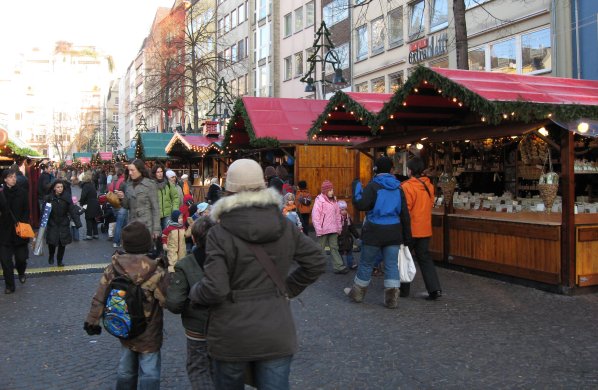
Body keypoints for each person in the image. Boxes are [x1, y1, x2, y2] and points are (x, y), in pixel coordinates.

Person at [189, 159, 326, 390]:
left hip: (231, 332)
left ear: (228, 191)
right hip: (275, 329)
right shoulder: (284, 226)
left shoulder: (219, 233)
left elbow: (215, 287)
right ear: (262, 187)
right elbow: (316, 261)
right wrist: (287, 288)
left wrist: (195, 293)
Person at [84, 221, 169, 390]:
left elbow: (99, 297)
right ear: (147, 244)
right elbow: (168, 300)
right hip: (149, 331)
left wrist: (92, 320)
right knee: (150, 371)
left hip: (124, 326)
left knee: (126, 368)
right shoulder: (156, 271)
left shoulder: (114, 267)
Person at [345, 156, 412, 309]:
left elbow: (361, 204)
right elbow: (405, 214)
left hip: (374, 230)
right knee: (391, 265)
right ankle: (392, 300)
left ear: (375, 169)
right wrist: (408, 237)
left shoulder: (373, 186)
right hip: (394, 231)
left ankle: (358, 294)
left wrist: (356, 185)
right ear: (391, 170)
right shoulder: (398, 187)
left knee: (366, 263)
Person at [166, 218, 216, 390]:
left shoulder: (185, 265)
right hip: (226, 325)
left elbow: (174, 303)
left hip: (197, 328)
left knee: (199, 369)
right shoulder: (229, 260)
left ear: (194, 239)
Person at [400, 157, 442, 300]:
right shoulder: (429, 185)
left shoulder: (406, 186)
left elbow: (406, 209)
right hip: (425, 228)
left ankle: (404, 290)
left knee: (405, 258)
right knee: (425, 259)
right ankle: (434, 289)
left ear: (410, 170)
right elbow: (430, 204)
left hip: (410, 229)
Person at [116, 159, 161, 245]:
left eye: (132, 170)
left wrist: (156, 229)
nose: (130, 173)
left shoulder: (150, 185)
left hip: (146, 227)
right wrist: (122, 198)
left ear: (140, 170)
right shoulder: (128, 185)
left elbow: (156, 208)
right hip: (132, 226)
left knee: (144, 255)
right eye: (129, 170)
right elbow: (126, 206)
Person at [0, 168, 31, 294]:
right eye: (11, 176)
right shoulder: (1, 193)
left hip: (20, 231)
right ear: (5, 179)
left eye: (14, 176)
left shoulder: (22, 193)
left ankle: (21, 271)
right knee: (5, 261)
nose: (14, 178)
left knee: (21, 259)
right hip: (4, 232)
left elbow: (26, 210)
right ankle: (9, 286)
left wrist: (22, 224)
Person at [311, 180, 347, 274]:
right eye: (330, 190)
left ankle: (338, 266)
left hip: (333, 229)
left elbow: (338, 215)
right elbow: (315, 216)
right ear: (325, 191)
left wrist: (339, 228)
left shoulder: (335, 201)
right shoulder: (319, 200)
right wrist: (318, 229)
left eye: (332, 190)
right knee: (320, 248)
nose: (332, 192)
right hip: (323, 229)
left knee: (334, 247)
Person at [44, 180, 82, 266]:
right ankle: (51, 255)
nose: (60, 189)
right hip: (52, 223)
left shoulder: (67, 197)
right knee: (52, 243)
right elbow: (44, 212)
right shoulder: (49, 198)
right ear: (54, 188)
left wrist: (78, 223)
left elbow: (72, 210)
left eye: (61, 187)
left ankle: (59, 260)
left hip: (63, 223)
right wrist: (42, 226)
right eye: (58, 187)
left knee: (62, 244)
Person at [152, 164, 180, 230]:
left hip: (167, 214)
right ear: (154, 173)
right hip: (156, 215)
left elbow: (175, 197)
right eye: (158, 172)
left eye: (161, 171)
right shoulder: (151, 185)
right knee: (157, 235)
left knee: (167, 234)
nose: (160, 174)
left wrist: (174, 209)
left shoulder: (168, 183)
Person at [108, 167, 128, 248]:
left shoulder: (113, 180)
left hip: (114, 204)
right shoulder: (124, 182)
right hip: (121, 204)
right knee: (120, 224)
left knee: (120, 223)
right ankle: (116, 241)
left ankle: (122, 239)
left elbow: (109, 189)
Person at [337, 200, 360, 270]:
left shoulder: (348, 218)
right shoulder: (336, 219)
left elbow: (352, 228)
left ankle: (351, 263)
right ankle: (341, 265)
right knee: (339, 253)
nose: (344, 211)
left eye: (345, 209)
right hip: (339, 239)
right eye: (342, 210)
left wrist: (357, 236)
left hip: (348, 239)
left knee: (349, 252)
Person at [79, 171, 101, 240]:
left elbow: (83, 196)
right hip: (95, 203)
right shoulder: (92, 184)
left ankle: (89, 235)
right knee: (94, 219)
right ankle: (96, 234)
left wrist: (81, 203)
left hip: (88, 204)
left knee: (88, 219)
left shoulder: (86, 185)